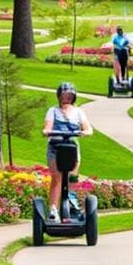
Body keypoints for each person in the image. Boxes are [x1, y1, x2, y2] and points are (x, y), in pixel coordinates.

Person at [43, 82, 93, 222]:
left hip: (71, 146)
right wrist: (47, 131)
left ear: (73, 97)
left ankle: (72, 203)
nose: (67, 98)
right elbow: (47, 127)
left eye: (69, 96)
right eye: (64, 95)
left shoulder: (78, 112)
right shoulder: (52, 111)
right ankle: (53, 209)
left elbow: (88, 128)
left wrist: (85, 132)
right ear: (59, 96)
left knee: (72, 178)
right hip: (55, 147)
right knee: (57, 178)